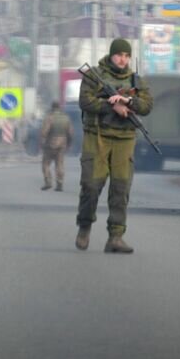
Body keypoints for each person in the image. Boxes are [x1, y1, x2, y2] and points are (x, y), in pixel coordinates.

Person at [76, 38, 153, 254]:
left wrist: (128, 102)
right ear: (111, 55)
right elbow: (85, 101)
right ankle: (84, 225)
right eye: (119, 54)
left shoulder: (136, 79)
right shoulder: (94, 75)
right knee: (91, 185)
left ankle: (116, 237)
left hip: (124, 139)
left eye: (127, 56)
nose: (123, 59)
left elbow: (147, 105)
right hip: (97, 136)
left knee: (121, 189)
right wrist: (112, 107)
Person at [39, 101, 73, 192]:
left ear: (52, 107)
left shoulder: (49, 117)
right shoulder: (66, 118)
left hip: (50, 144)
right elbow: (70, 133)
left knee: (46, 164)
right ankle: (60, 183)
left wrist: (42, 143)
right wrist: (69, 144)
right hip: (62, 144)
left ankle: (48, 182)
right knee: (59, 164)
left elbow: (44, 132)